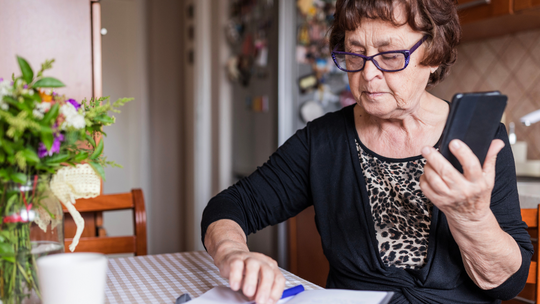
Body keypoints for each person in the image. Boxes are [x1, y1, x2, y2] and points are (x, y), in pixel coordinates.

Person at [201, 0, 533, 303]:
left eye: (389, 56)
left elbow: (508, 284)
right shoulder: (323, 141)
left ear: (433, 55)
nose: (368, 74)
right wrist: (233, 253)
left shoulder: (480, 137)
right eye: (354, 54)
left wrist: (472, 219)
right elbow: (231, 205)